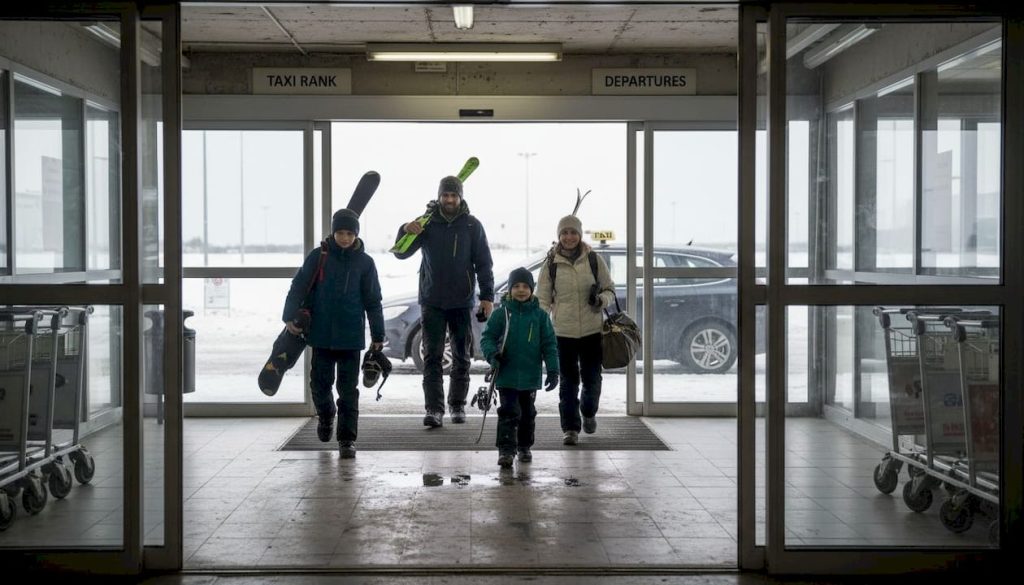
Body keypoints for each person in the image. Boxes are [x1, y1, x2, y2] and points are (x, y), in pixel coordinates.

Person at [282, 208, 385, 459]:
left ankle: (347, 439)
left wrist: (378, 334)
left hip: (351, 339)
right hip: (321, 335)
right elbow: (298, 286)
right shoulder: (319, 257)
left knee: (349, 391)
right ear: (333, 232)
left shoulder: (365, 263)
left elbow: (373, 301)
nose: (345, 238)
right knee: (319, 385)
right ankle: (326, 415)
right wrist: (288, 316)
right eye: (340, 232)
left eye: (350, 233)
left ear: (356, 234)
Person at [393, 175, 495, 427]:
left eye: (453, 195)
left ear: (460, 197)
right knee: (432, 356)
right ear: (439, 197)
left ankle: (457, 405)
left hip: (462, 301)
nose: (449, 199)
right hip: (432, 300)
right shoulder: (426, 223)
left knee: (462, 356)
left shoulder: (472, 226)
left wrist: (487, 297)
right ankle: (434, 409)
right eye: (445, 195)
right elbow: (401, 253)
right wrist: (405, 228)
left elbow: (484, 263)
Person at [536, 215, 616, 446]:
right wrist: (542, 325)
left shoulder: (593, 259)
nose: (569, 237)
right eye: (564, 233)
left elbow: (610, 289)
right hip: (562, 333)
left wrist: (602, 299)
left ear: (579, 235)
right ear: (559, 236)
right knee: (568, 382)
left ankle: (588, 411)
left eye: (573, 233)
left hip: (592, 330)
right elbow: (542, 298)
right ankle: (570, 428)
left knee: (592, 379)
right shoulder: (551, 263)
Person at [480, 268, 559, 468]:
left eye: (525, 286)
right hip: (506, 374)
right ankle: (506, 450)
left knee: (527, 413)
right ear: (509, 289)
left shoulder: (540, 317)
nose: (521, 290)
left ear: (532, 289)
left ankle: (524, 446)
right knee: (508, 412)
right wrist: (492, 355)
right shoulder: (502, 314)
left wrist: (553, 369)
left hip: (530, 376)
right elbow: (487, 338)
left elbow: (549, 344)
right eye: (516, 286)